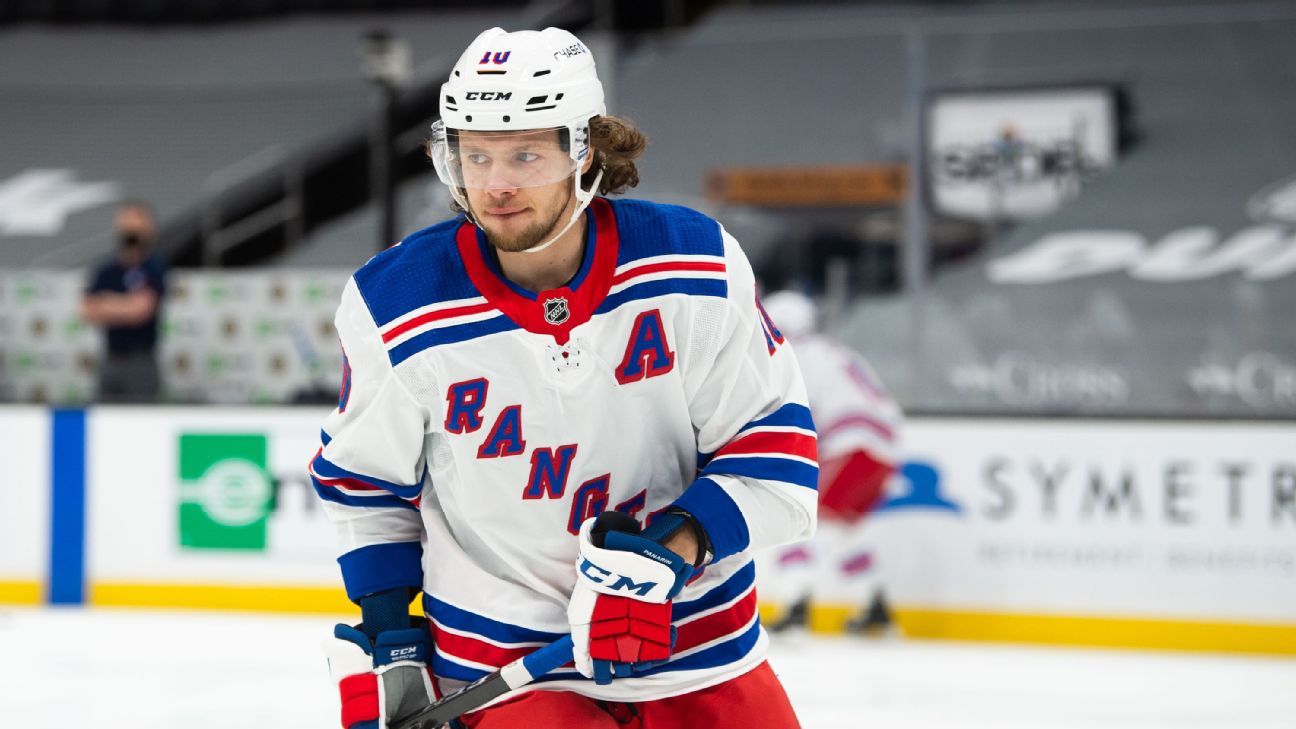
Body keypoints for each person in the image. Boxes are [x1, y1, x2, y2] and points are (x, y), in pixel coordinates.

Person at [314, 27, 817, 729]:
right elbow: (366, 484)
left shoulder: (692, 263)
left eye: (525, 153)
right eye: (475, 154)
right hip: (505, 673)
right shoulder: (396, 301)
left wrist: (666, 554)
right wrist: (388, 632)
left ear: (588, 151)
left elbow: (776, 460)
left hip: (699, 650)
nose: (495, 184)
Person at [756, 290, 903, 636]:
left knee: (798, 513)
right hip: (884, 448)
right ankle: (873, 605)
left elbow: (797, 416)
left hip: (853, 442)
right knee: (840, 528)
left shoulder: (795, 355)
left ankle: (795, 606)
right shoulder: (834, 352)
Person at [80, 200, 167, 403]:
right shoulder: (106, 271)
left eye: (136, 229)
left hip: (141, 361)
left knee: (141, 422)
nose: (130, 236)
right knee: (104, 422)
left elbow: (141, 310)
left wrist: (107, 304)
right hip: (111, 358)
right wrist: (125, 305)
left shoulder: (154, 268)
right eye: (126, 228)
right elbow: (88, 310)